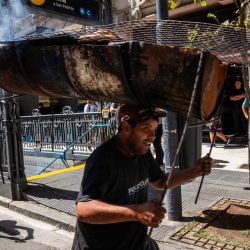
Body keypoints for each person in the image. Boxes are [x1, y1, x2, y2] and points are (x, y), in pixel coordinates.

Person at [72, 104, 213, 250]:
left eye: (155, 129)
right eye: (146, 128)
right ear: (126, 126)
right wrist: (137, 212)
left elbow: (161, 181)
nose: (152, 135)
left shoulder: (142, 153)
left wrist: (194, 171)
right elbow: (84, 210)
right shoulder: (103, 159)